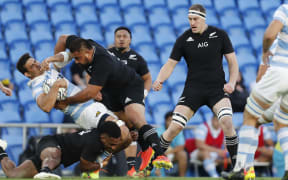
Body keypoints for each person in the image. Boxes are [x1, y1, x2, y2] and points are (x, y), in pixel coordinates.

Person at [41, 34, 172, 172]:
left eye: (79, 58)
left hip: (129, 86)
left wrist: (66, 101)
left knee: (135, 117)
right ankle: (140, 156)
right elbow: (63, 40)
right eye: (76, 58)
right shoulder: (84, 45)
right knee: (123, 131)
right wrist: (55, 68)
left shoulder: (103, 62)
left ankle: (160, 154)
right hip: (110, 93)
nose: (77, 62)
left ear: (89, 52)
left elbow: (90, 93)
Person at [152, 4, 239, 171]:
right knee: (175, 127)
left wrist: (232, 82)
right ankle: (149, 165)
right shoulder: (183, 39)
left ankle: (238, 168)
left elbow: (232, 62)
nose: (192, 22)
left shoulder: (219, 35)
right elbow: (170, 64)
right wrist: (160, 80)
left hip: (216, 90)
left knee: (227, 121)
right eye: (190, 19)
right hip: (193, 90)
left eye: (195, 19)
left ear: (203, 18)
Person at [16, 53, 132, 153]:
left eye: (35, 61)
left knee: (127, 139)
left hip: (91, 105)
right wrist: (56, 86)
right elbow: (45, 107)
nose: (37, 64)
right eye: (32, 66)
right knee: (122, 131)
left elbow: (68, 55)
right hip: (83, 112)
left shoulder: (49, 69)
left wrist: (50, 59)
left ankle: (96, 163)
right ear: (27, 74)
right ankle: (95, 162)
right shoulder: (37, 86)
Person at [222, 4, 288, 180]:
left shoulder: (285, 12)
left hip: (280, 77)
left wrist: (265, 52)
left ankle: (243, 169)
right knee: (282, 123)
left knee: (251, 116)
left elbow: (261, 76)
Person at [105, 26, 152, 177]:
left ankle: (132, 168)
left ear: (130, 39)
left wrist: (143, 94)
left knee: (132, 132)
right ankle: (99, 166)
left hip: (129, 102)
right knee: (107, 134)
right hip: (110, 102)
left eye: (124, 36)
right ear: (114, 38)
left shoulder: (137, 58)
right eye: (118, 36)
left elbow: (148, 78)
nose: (121, 39)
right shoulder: (107, 55)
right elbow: (91, 72)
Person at [0, 121, 120, 179]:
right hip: (51, 143)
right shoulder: (94, 143)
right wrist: (100, 164)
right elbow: (84, 167)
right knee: (55, 153)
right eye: (112, 144)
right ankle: (46, 170)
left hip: (53, 158)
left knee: (13, 174)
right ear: (104, 138)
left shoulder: (100, 138)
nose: (114, 147)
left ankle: (1, 150)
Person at [156, 111, 187, 177]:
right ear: (165, 121)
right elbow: (156, 147)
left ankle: (182, 177)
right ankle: (158, 175)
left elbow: (181, 147)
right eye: (169, 121)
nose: (171, 123)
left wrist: (168, 152)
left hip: (171, 153)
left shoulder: (178, 130)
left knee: (182, 154)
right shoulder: (158, 131)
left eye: (173, 121)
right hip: (160, 154)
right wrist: (164, 153)